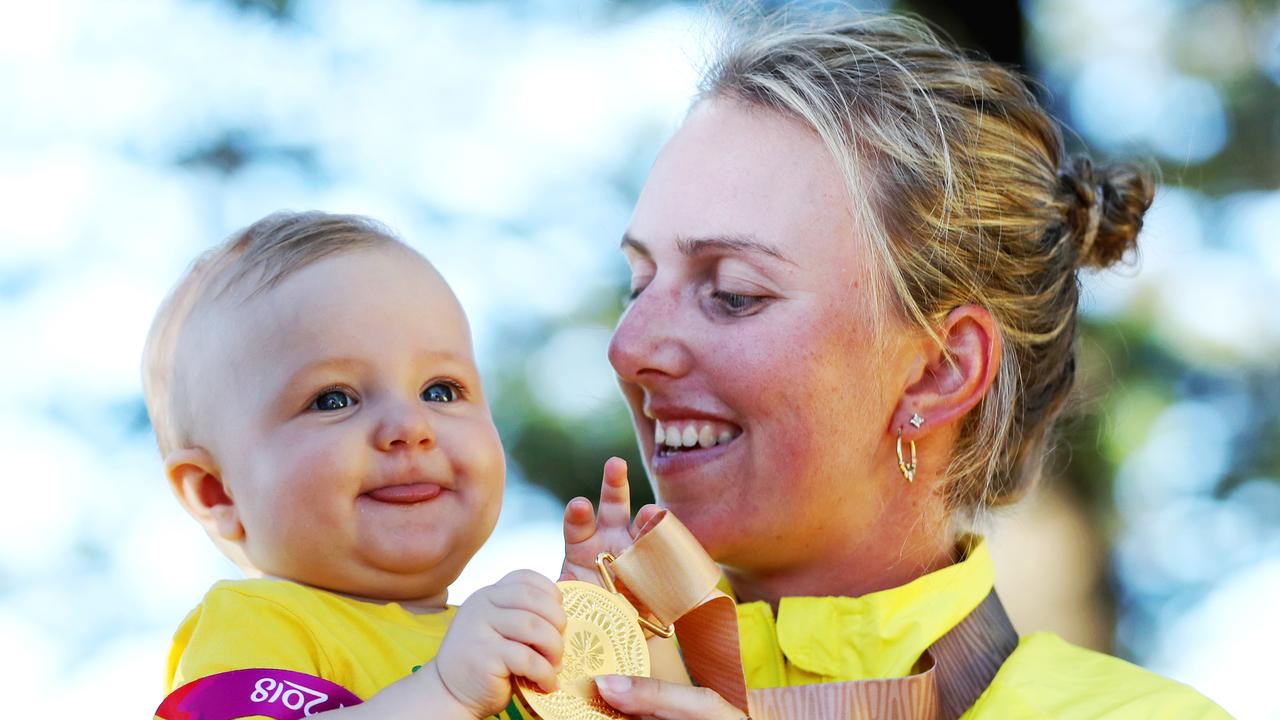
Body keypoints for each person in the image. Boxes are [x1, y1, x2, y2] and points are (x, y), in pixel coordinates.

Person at [585, 11, 1232, 720]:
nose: (628, 347)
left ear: (941, 370)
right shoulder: (504, 681)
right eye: (639, 283)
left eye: (733, 294)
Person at [144, 211, 665, 719]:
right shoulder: (259, 626)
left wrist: (595, 647)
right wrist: (444, 693)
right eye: (334, 399)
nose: (410, 426)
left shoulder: (492, 641)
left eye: (440, 390)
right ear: (219, 493)